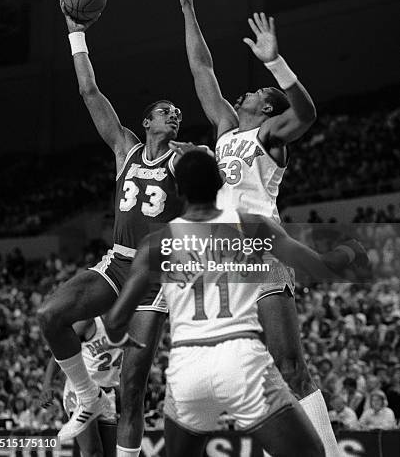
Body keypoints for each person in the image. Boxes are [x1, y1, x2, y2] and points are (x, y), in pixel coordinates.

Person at [104, 152, 367, 457]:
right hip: (241, 361)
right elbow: (321, 266)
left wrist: (120, 340)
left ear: (178, 192)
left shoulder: (157, 243)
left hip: (187, 368)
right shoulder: (251, 224)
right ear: (220, 183)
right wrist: (350, 249)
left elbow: (114, 321)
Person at [176, 0, 339, 455]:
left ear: (266, 107)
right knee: (253, 371)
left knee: (289, 363)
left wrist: (278, 66)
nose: (241, 94)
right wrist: (188, 13)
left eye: (253, 93)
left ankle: (328, 451)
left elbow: (306, 114)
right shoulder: (226, 129)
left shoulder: (269, 136)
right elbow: (202, 71)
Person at [37, 1, 193, 456]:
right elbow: (89, 92)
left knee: (133, 386)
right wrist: (76, 34)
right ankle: (86, 395)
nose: (174, 115)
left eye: (177, 113)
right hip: (117, 263)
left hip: (158, 275)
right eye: (166, 111)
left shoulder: (184, 156)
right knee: (50, 315)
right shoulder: (125, 147)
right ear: (146, 122)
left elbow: (210, 185)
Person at [41, 317, 123, 457]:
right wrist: (47, 383)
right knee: (93, 452)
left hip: (107, 393)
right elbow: (61, 350)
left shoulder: (130, 322)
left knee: (110, 454)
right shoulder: (89, 322)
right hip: (81, 391)